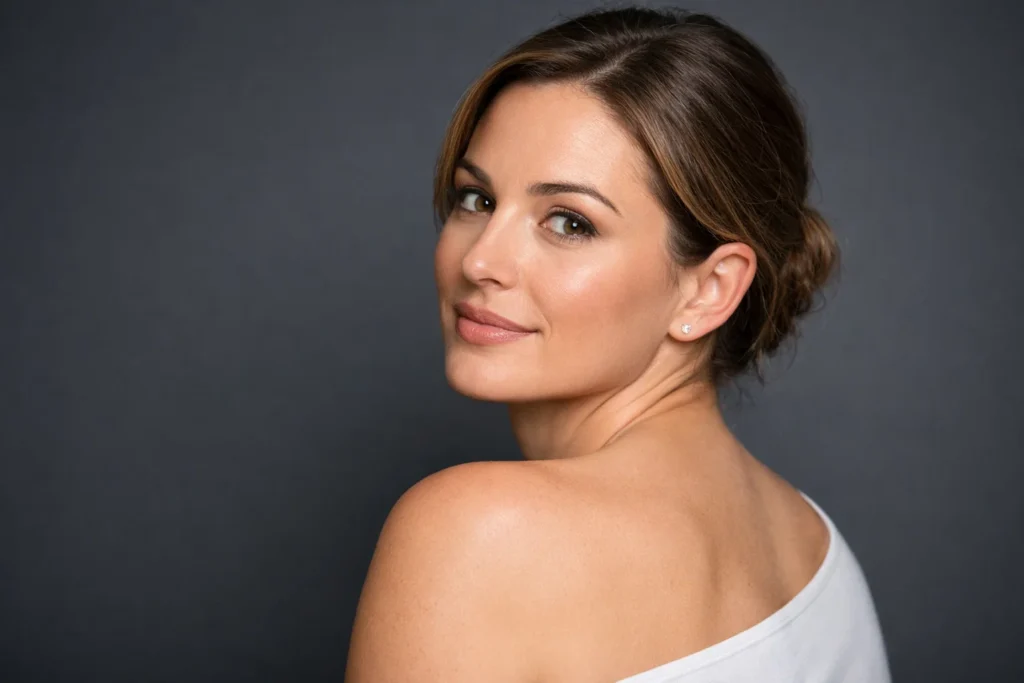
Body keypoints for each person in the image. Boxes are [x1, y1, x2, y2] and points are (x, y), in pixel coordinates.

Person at [345, 6, 891, 682]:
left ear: (709, 289)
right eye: (477, 199)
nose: (480, 260)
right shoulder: (819, 551)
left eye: (569, 223)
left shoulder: (473, 533)